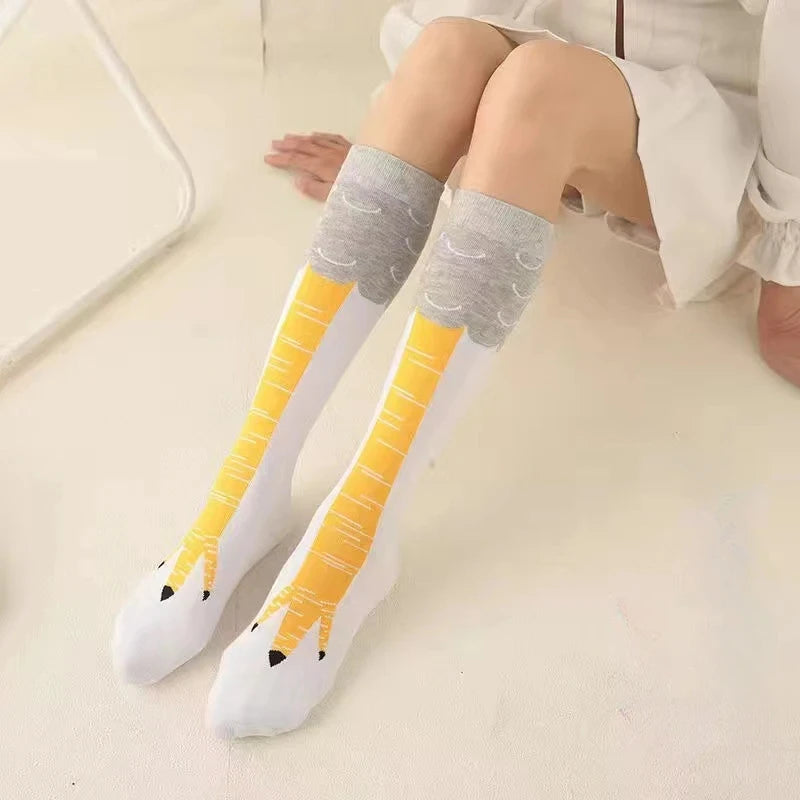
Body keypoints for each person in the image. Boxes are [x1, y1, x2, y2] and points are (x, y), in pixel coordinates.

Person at [113, 0, 800, 737]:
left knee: (540, 82)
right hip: (540, 88)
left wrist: (788, 261)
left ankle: (359, 531)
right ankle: (248, 490)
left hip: (718, 135)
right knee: (447, 47)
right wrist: (409, 141)